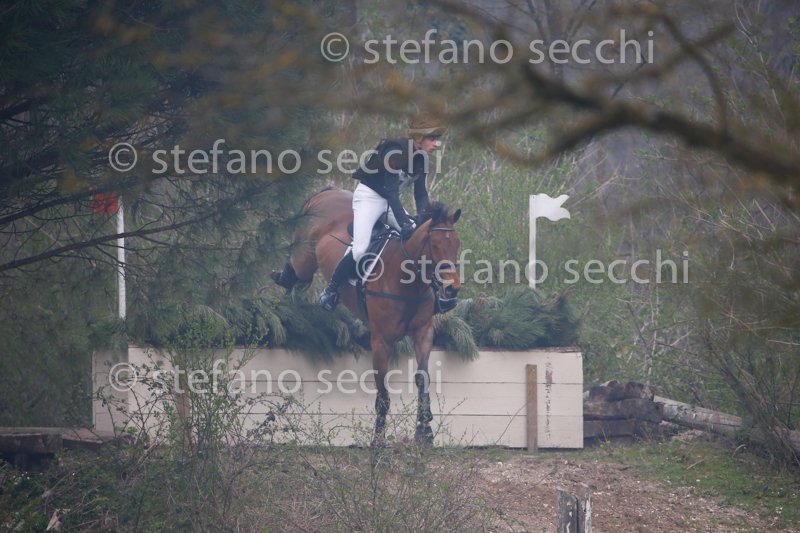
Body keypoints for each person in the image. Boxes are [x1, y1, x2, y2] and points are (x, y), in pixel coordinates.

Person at [317, 113, 446, 311]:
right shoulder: (395, 151)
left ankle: (433, 293)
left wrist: (423, 221)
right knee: (360, 249)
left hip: (389, 202)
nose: (436, 144)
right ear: (419, 137)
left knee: (419, 239)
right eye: (432, 138)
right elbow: (391, 190)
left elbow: (421, 195)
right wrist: (405, 222)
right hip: (369, 198)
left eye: (437, 139)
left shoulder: (422, 160)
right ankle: (331, 290)